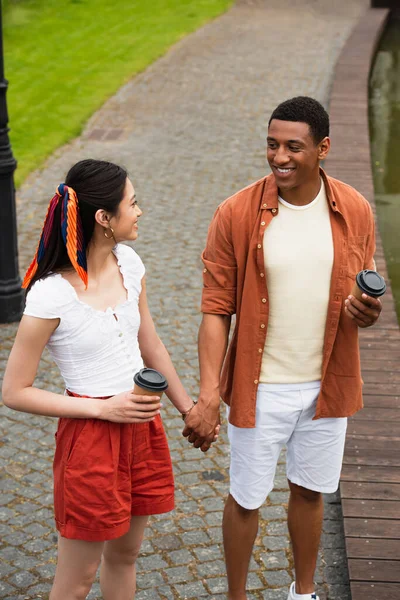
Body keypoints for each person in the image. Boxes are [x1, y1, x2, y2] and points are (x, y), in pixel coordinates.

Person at [182, 97, 383, 600]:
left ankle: (304, 592)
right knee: (246, 498)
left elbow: (362, 290)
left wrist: (367, 310)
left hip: (325, 385)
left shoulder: (355, 209)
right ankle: (236, 596)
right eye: (272, 145)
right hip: (260, 385)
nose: (280, 157)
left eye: (294, 146)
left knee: (311, 491)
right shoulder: (236, 212)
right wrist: (209, 394)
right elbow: (215, 309)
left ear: (324, 148)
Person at [2, 159, 200, 600]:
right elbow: (14, 392)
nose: (140, 211)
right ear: (103, 218)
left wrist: (187, 408)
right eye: (133, 203)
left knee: (125, 557)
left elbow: (151, 344)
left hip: (143, 429)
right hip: (90, 438)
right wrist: (102, 408)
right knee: (77, 580)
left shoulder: (129, 263)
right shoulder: (51, 294)